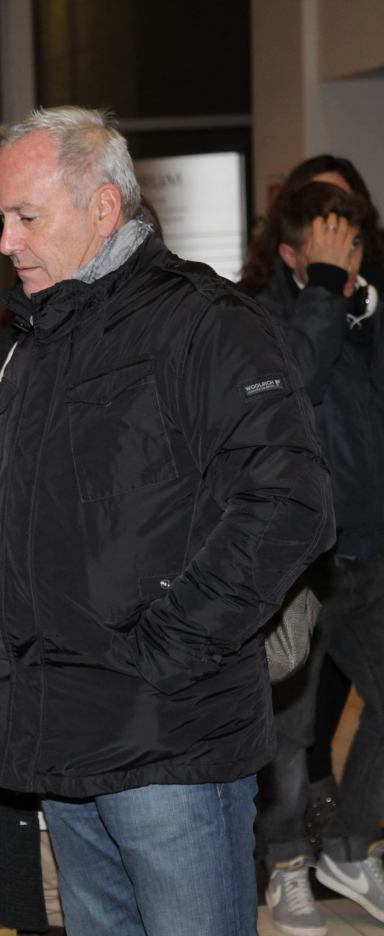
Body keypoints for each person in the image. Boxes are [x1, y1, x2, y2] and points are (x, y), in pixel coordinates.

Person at [0, 106, 334, 936]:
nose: (6, 242)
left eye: (27, 218)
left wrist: (169, 650)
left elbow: (289, 503)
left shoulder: (206, 322)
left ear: (103, 208)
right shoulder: (39, 340)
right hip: (64, 743)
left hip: (169, 742)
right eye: (0, 218)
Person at [243, 178, 384, 936]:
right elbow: (293, 386)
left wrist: (360, 308)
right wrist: (325, 291)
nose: (349, 262)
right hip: (304, 560)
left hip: (373, 551)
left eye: (354, 247)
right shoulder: (263, 318)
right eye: (331, 250)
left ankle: (352, 846)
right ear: (293, 255)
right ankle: (287, 863)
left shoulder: (364, 312)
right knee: (292, 731)